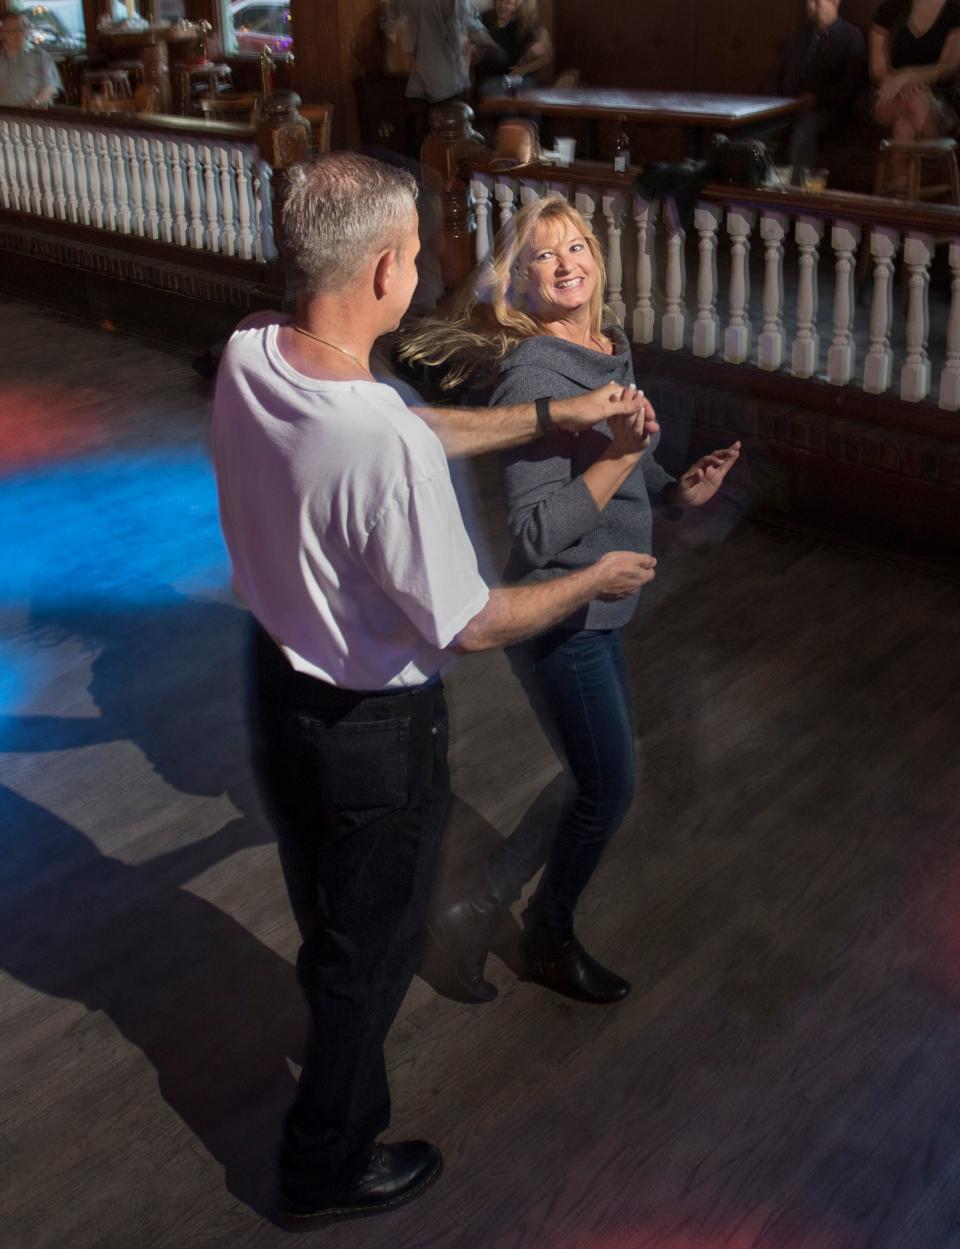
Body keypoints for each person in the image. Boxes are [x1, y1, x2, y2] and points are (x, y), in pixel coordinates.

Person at [211, 153, 656, 1231]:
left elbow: (404, 428)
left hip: (274, 688)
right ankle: (327, 1164)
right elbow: (474, 623)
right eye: (414, 253)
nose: (424, 268)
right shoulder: (379, 448)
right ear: (380, 273)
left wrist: (553, 421)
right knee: (375, 954)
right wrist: (595, 578)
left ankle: (332, 1045)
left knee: (333, 923)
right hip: (370, 735)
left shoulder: (254, 352)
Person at [400, 194, 740, 1007]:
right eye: (544, 255)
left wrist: (674, 490)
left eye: (578, 245)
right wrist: (626, 464)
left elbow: (627, 466)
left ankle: (478, 909)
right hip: (558, 613)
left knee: (598, 777)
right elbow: (537, 529)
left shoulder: (604, 348)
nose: (568, 263)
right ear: (518, 281)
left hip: (600, 606)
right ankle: (528, 927)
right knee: (608, 785)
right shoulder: (536, 371)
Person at [771, 0, 866, 179]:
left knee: (805, 129)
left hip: (829, 108)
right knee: (758, 127)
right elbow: (779, 75)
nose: (810, 6)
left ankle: (798, 191)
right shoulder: (800, 36)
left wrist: (817, 99)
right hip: (789, 105)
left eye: (816, 1)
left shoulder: (851, 36)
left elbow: (852, 85)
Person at [869, 0, 960, 184]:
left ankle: (901, 200)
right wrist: (900, 82)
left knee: (904, 127)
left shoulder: (955, 10)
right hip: (889, 92)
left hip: (938, 96)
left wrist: (909, 76)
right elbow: (877, 69)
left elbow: (948, 67)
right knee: (915, 99)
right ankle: (947, 177)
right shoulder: (890, 8)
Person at [381, 0, 498, 105]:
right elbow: (468, 28)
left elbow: (387, 22)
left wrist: (406, 47)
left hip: (419, 77)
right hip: (449, 78)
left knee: (425, 124)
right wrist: (487, 46)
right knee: (452, 124)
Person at [476, 0, 552, 96]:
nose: (502, 6)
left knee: (529, 102)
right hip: (493, 80)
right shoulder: (483, 19)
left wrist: (524, 69)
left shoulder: (523, 24)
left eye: (508, 2)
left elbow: (545, 58)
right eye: (499, 1)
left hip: (519, 80)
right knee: (502, 100)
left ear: (516, 6)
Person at [0, 10, 62, 109]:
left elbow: (51, 87)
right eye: (12, 31)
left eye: (22, 29)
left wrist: (32, 105)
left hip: (33, 115)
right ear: (1, 33)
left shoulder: (40, 56)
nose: (19, 34)